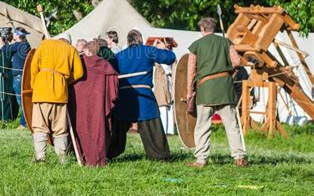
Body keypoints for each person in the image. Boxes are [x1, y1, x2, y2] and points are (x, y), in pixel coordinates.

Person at [186, 18, 248, 168]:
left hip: (205, 90)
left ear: (202, 29)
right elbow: (237, 62)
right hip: (225, 89)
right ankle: (239, 157)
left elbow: (191, 71)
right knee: (232, 125)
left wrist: (189, 91)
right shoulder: (226, 42)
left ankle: (201, 160)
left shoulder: (196, 46)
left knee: (202, 126)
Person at [108, 29, 176, 161]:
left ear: (128, 41)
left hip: (124, 98)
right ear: (140, 39)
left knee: (117, 130)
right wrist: (162, 49)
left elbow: (109, 69)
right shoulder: (147, 50)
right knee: (152, 127)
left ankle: (108, 153)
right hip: (143, 98)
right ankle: (159, 156)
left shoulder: (119, 55)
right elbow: (170, 58)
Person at [30, 33, 84, 163]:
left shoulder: (44, 45)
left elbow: (33, 67)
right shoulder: (71, 50)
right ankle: (62, 159)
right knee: (60, 129)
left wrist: (34, 84)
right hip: (59, 94)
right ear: (68, 41)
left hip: (41, 92)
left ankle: (40, 157)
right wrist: (64, 81)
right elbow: (79, 73)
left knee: (39, 127)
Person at [68, 40, 119, 166]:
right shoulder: (105, 65)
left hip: (79, 105)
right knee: (97, 129)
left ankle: (81, 156)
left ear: (87, 50)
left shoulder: (79, 63)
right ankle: (96, 159)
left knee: (81, 128)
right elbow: (114, 87)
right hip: (98, 106)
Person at [0, 27, 31, 130]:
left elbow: (5, 49)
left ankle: (24, 124)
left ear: (17, 35)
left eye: (14, 33)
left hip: (19, 77)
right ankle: (26, 122)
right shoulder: (25, 45)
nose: (13, 35)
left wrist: (1, 43)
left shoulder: (19, 45)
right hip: (22, 76)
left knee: (21, 101)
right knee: (23, 100)